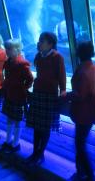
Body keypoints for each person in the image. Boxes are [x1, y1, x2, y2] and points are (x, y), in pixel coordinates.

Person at [26, 31, 66, 166]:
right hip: (38, 94)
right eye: (39, 40)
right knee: (37, 126)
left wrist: (63, 90)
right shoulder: (39, 56)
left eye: (42, 41)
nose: (39, 43)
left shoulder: (57, 57)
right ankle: (35, 152)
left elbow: (62, 75)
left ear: (50, 44)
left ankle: (40, 153)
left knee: (45, 127)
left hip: (50, 95)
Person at [68, 41, 95, 181]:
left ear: (79, 53)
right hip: (91, 111)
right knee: (80, 142)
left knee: (80, 145)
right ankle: (80, 171)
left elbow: (80, 95)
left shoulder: (84, 71)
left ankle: (90, 175)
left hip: (83, 113)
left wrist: (66, 95)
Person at [0, 39, 33, 153]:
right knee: (10, 118)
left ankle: (16, 143)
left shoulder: (22, 63)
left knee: (18, 120)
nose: (7, 51)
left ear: (18, 50)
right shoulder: (8, 62)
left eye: (9, 49)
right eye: (6, 48)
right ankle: (8, 141)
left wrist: (22, 89)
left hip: (18, 96)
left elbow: (30, 79)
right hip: (9, 94)